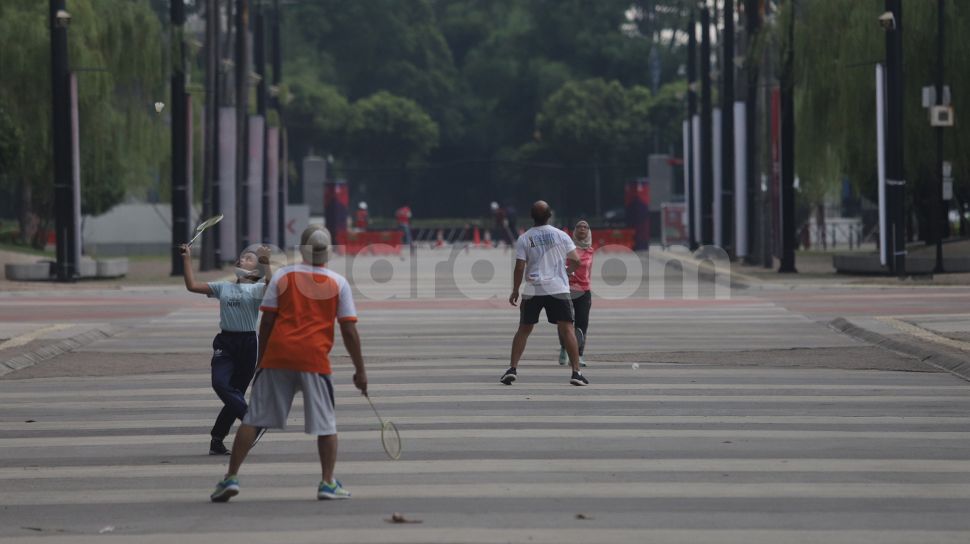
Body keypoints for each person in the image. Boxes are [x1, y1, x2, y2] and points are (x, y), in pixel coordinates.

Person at [210, 225, 368, 503]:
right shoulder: (338, 283)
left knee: (252, 418)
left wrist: (262, 361)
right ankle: (327, 482)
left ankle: (231, 477)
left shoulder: (283, 277)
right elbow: (349, 330)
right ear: (327, 253)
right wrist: (360, 370)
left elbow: (267, 321)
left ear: (302, 250)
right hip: (314, 361)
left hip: (278, 357)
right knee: (327, 425)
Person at [179, 243, 270, 455]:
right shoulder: (223, 287)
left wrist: (266, 264)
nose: (242, 260)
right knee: (220, 384)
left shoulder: (257, 289)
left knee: (234, 395)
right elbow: (192, 285)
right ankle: (251, 419)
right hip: (225, 343)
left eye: (249, 258)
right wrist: (186, 258)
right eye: (242, 257)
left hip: (248, 344)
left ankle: (216, 439)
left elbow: (271, 286)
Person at [502, 201, 589, 387]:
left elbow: (519, 267)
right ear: (549, 215)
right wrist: (565, 272)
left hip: (533, 289)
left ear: (531, 216)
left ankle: (512, 369)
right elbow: (576, 260)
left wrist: (516, 289)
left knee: (524, 329)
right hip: (558, 289)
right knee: (567, 329)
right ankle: (576, 372)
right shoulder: (561, 235)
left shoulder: (525, 238)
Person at [559, 220, 594, 367]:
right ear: (574, 230)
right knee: (565, 323)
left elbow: (588, 271)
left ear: (588, 231)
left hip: (584, 291)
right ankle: (563, 349)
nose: (582, 229)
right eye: (579, 226)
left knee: (582, 324)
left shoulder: (591, 250)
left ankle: (579, 354)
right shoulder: (567, 248)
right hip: (566, 290)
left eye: (585, 227)